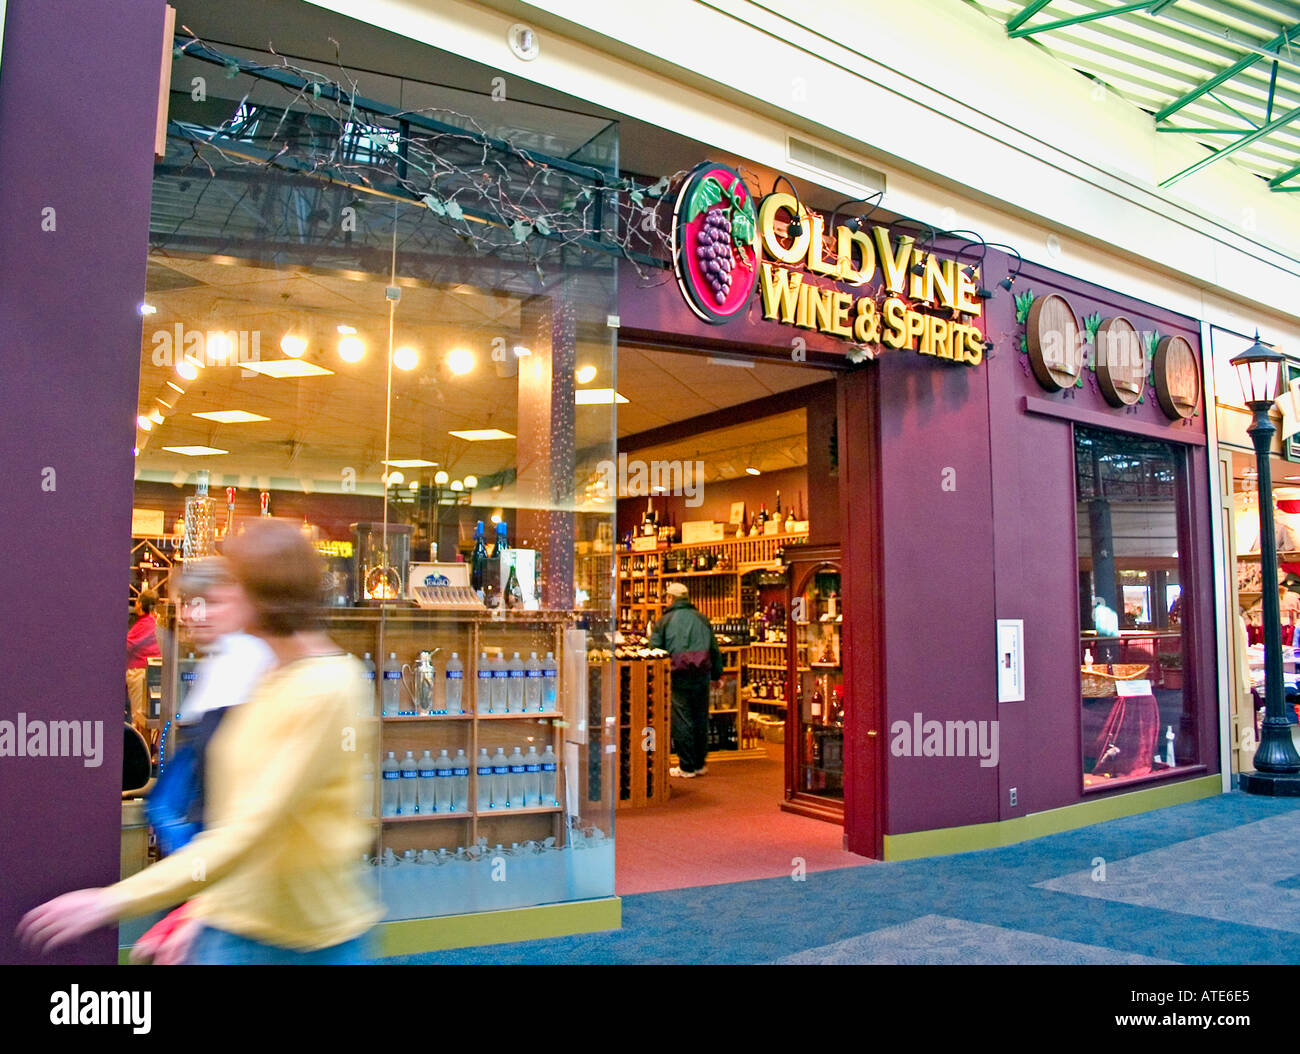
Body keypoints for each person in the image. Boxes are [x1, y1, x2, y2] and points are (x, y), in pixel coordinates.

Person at [19, 520, 382, 964]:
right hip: (239, 930)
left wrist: (113, 901)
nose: (204, 606)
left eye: (230, 585)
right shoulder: (269, 673)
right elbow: (237, 822)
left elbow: (253, 828)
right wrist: (201, 911)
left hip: (306, 946)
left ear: (262, 596)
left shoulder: (328, 687)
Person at [649, 581, 723, 779]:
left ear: (671, 599)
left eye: (666, 597)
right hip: (702, 675)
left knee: (682, 720)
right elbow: (714, 649)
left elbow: (654, 650)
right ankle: (700, 764)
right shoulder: (701, 618)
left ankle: (687, 766)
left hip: (678, 675)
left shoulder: (664, 621)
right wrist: (716, 674)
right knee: (700, 719)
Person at [125, 589, 162, 734]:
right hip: (155, 674)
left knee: (138, 718)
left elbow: (128, 646)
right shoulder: (156, 624)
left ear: (140, 604)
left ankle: (141, 752)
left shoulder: (141, 625)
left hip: (139, 674)